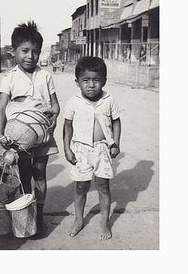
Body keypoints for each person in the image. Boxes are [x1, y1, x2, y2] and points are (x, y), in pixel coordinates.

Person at [0, 21, 60, 236]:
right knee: (24, 176)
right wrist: (1, 135)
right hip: (19, 137)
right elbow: (1, 108)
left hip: (43, 134)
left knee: (40, 173)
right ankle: (26, 215)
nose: (30, 56)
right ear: (13, 51)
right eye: (25, 51)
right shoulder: (10, 78)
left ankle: (39, 216)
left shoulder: (45, 76)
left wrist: (55, 116)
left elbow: (55, 104)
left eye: (35, 52)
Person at [63, 56, 121, 240]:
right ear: (77, 82)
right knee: (81, 187)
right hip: (80, 150)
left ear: (104, 80)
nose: (91, 85)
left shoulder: (109, 100)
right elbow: (67, 126)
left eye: (96, 80)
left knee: (103, 186)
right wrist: (67, 148)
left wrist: (115, 143)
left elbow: (116, 122)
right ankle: (79, 220)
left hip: (102, 149)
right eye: (85, 80)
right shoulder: (74, 102)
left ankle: (104, 222)